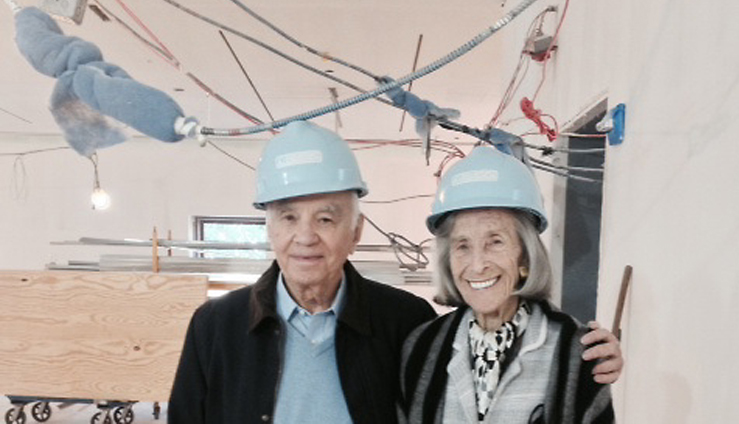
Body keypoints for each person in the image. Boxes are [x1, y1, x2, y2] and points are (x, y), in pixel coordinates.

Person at [168, 122, 622, 424]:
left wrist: (599, 354)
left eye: (326, 219)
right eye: (288, 218)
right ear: (268, 229)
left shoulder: (403, 322)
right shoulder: (214, 328)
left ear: (356, 230)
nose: (305, 237)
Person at [399, 146, 617, 424]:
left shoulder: (577, 350)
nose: (477, 265)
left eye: (495, 242)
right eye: (462, 246)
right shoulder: (421, 347)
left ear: (525, 254)